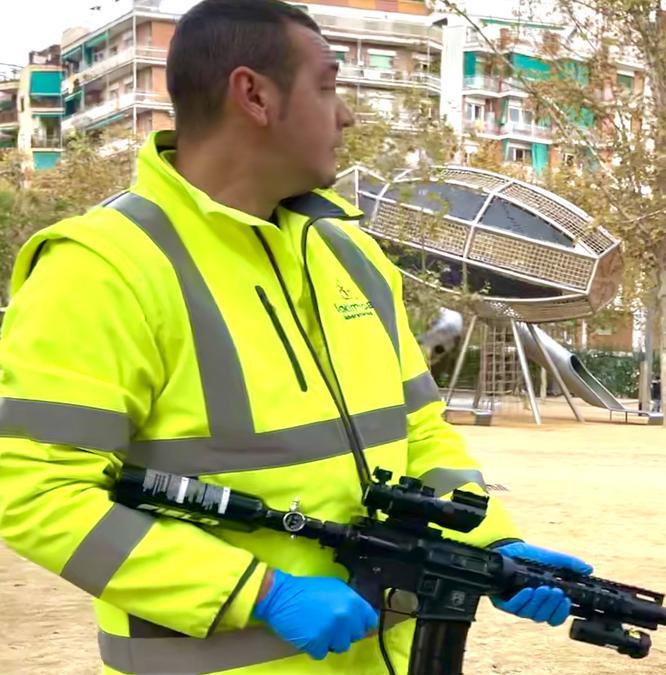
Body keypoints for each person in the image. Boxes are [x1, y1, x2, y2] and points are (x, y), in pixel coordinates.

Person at [0, 2, 589, 673]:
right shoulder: (103, 267)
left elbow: (419, 430)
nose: (347, 116)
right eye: (328, 86)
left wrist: (493, 543)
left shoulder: (352, 257)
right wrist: (257, 591)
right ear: (254, 95)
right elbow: (40, 493)